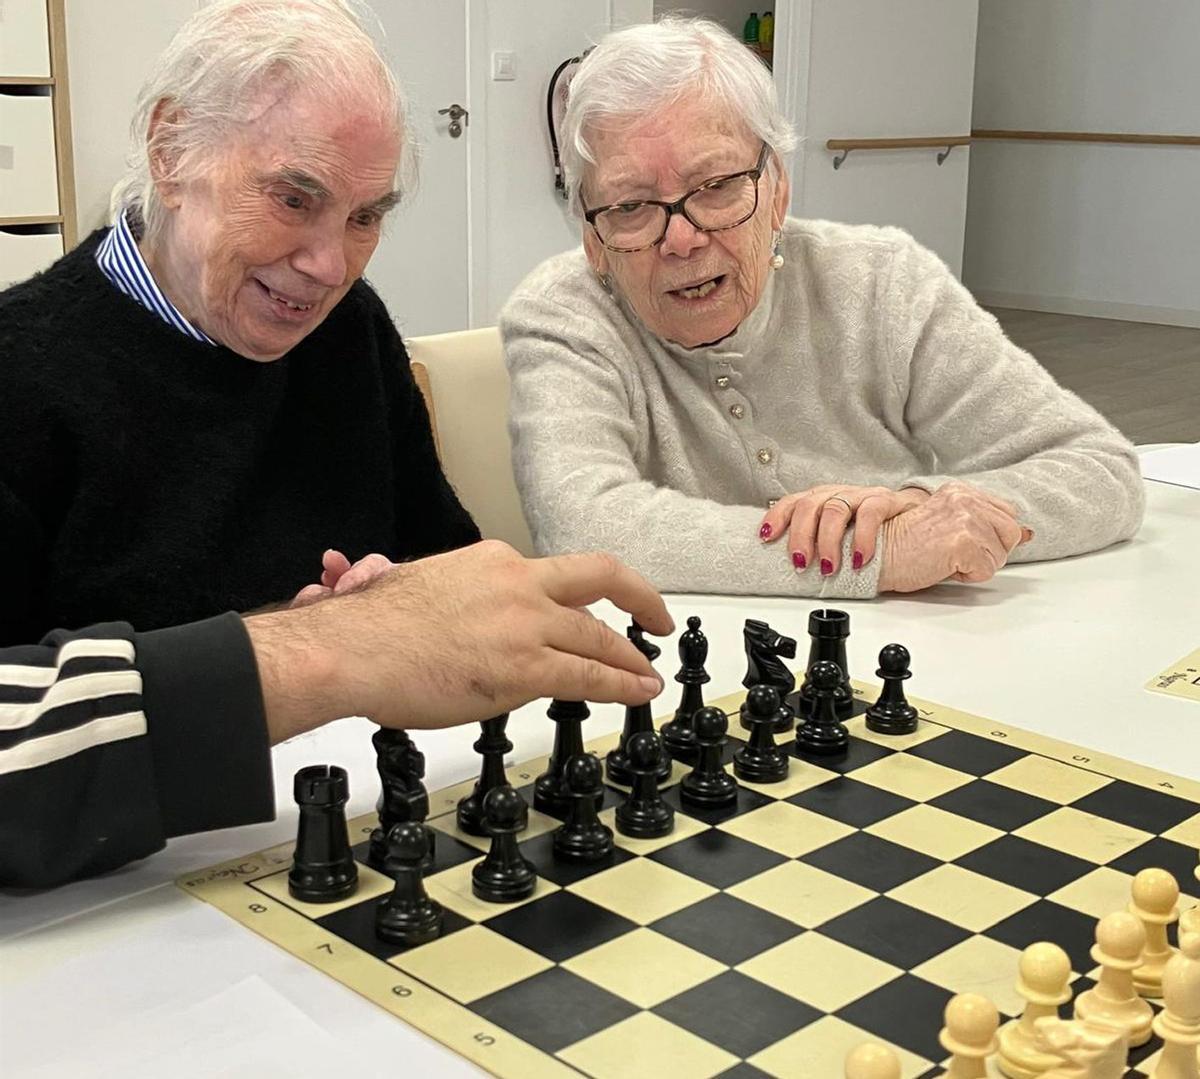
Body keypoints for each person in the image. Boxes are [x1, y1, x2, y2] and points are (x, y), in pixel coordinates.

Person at [501, 17, 1144, 598]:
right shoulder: (564, 314)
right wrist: (880, 553)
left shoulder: (883, 282)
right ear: (592, 238)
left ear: (777, 188)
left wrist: (924, 510)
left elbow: (1099, 471)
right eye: (630, 206)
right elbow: (581, 524)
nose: (682, 238)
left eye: (717, 186)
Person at [0, 0, 473, 646]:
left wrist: (401, 595)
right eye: (293, 199)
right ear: (171, 151)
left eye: (364, 217)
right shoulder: (17, 375)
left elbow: (448, 554)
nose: (332, 267)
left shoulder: (350, 328)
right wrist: (289, 658)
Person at [0, 542, 673, 889]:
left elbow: (449, 576)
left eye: (360, 261)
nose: (327, 267)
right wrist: (328, 647)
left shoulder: (350, 331)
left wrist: (345, 616)